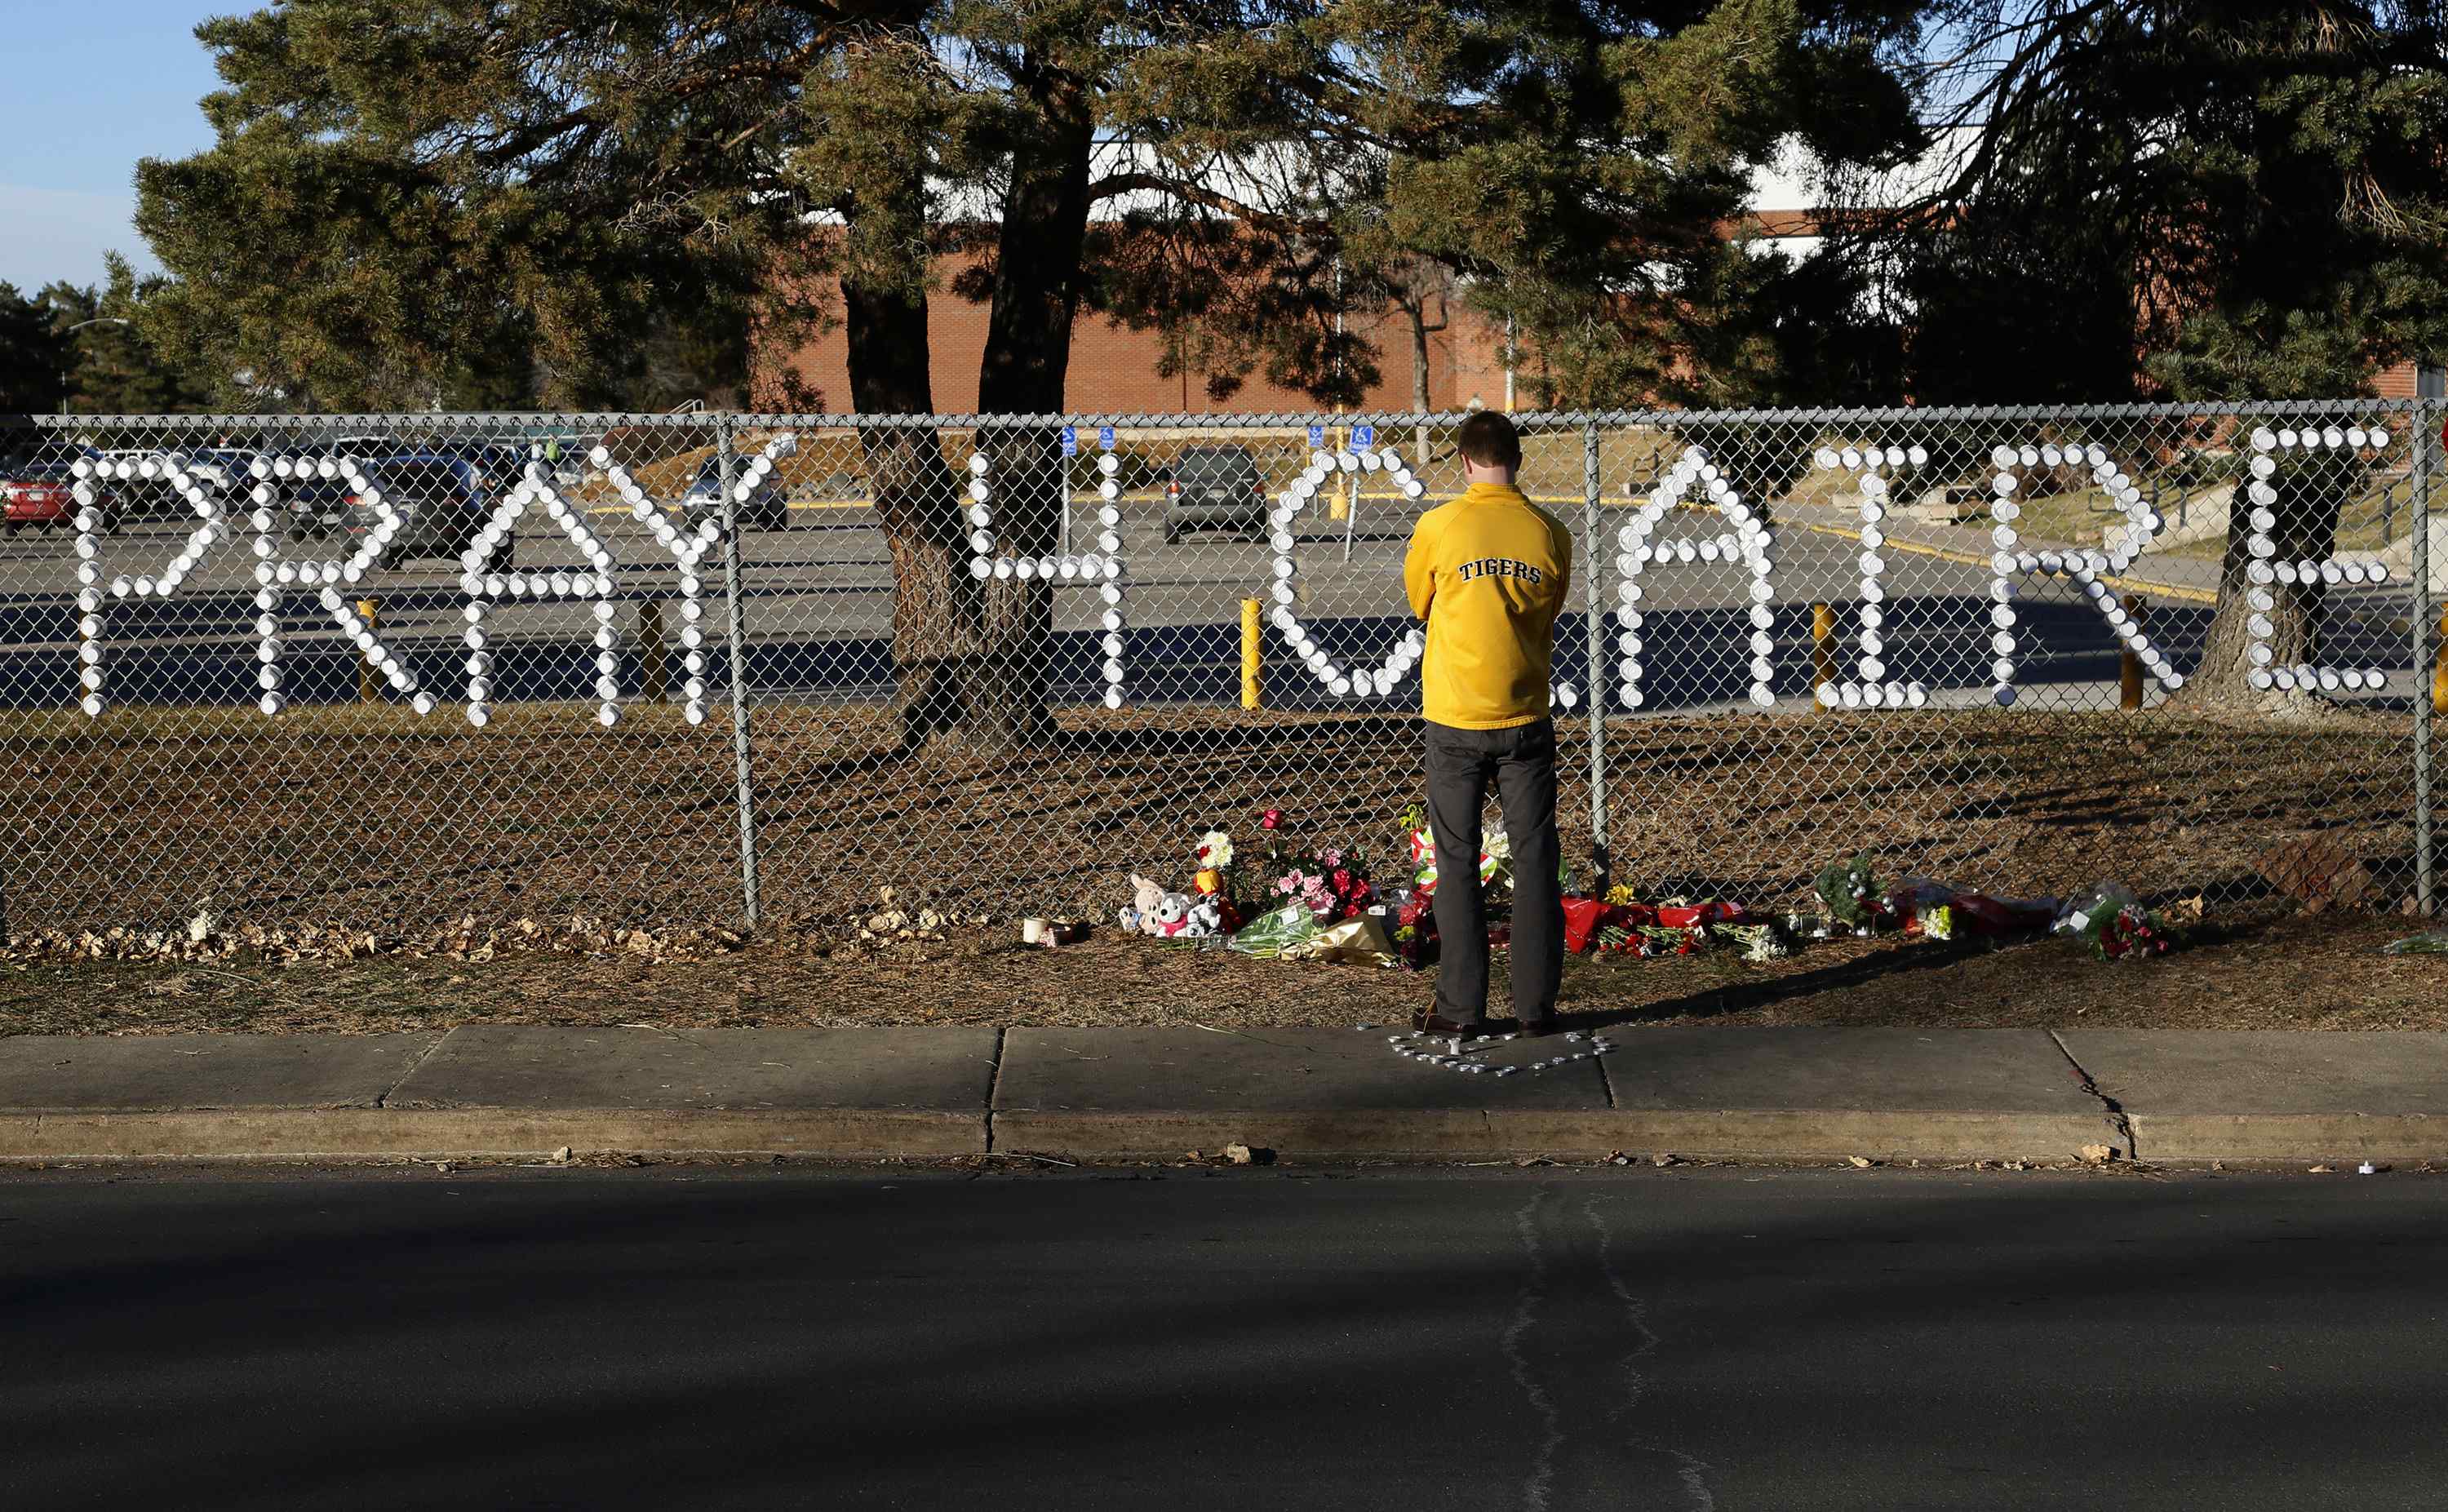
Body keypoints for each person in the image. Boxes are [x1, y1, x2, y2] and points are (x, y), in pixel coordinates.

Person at [1401, 410, 1572, 1040]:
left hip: (1454, 718)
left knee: (1457, 859)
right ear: (1517, 461)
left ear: (1466, 463)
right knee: (1534, 861)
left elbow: (1419, 602)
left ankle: (1460, 1007)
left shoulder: (1440, 526)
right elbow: (1549, 610)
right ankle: (1535, 1007)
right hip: (1526, 716)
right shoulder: (1548, 532)